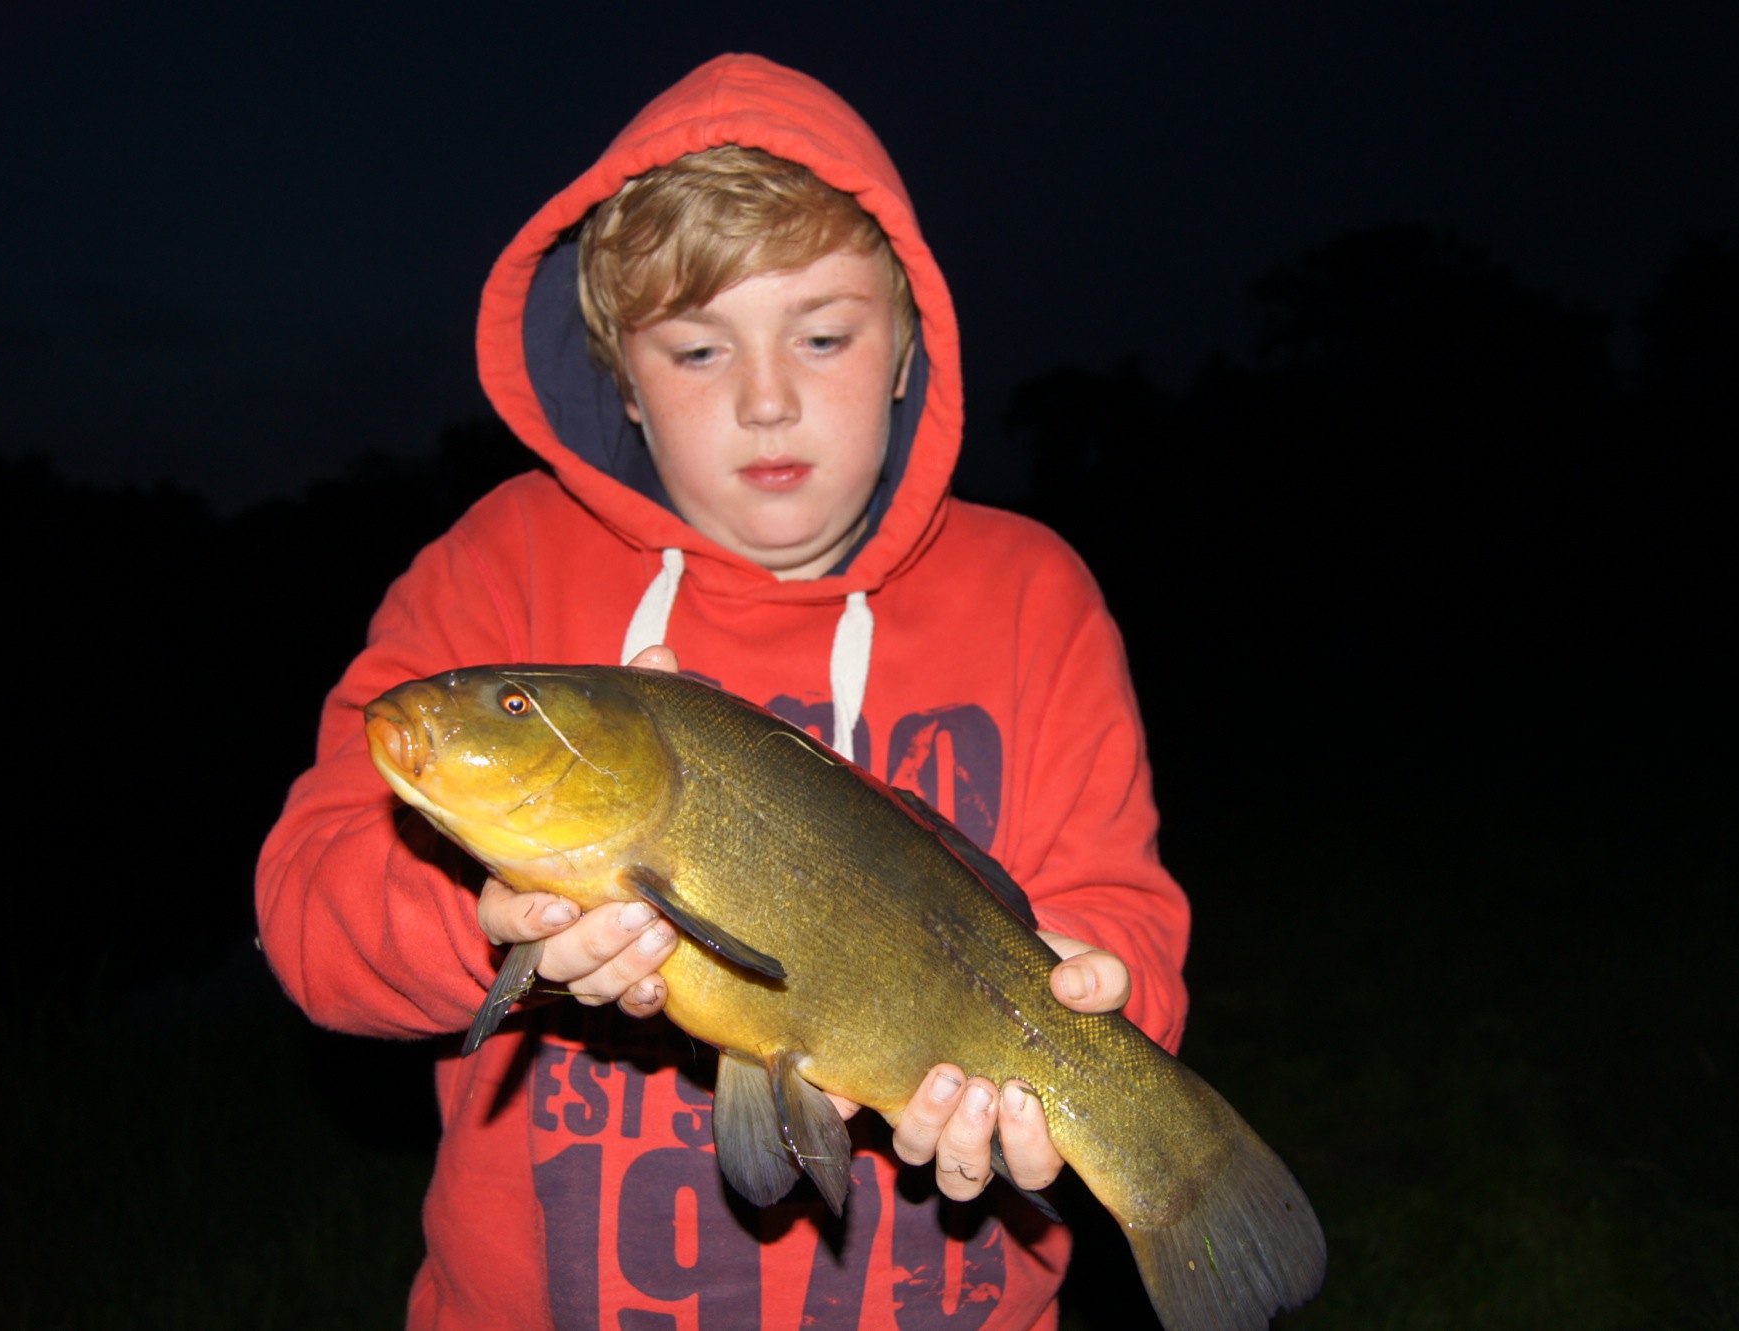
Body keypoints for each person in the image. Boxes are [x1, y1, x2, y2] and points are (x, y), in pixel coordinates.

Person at [257, 53, 1191, 1331]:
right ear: (622, 379)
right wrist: (489, 916)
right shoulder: (498, 565)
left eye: (823, 335)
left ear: (908, 347)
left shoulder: (1032, 592)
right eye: (697, 349)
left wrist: (1088, 995)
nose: (765, 398)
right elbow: (310, 914)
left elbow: (1114, 908)